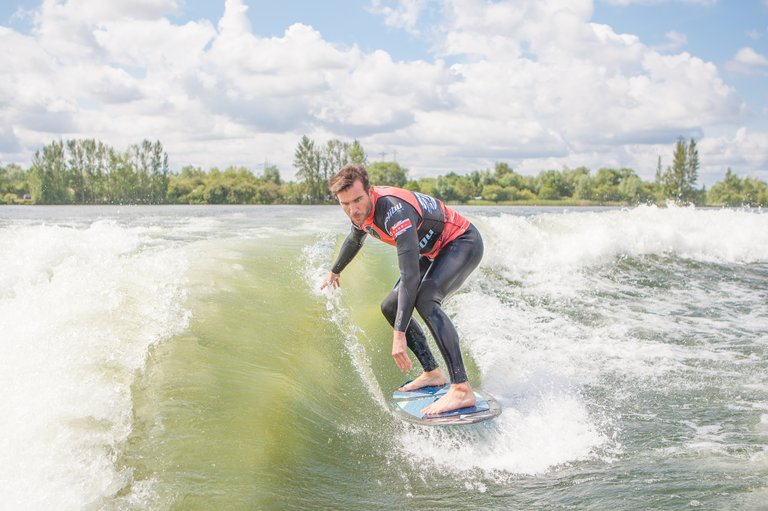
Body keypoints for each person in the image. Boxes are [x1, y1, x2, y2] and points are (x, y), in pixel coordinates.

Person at [320, 163, 484, 415]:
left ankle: (462, 389)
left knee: (427, 299)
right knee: (390, 306)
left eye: (357, 200)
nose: (352, 210)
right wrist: (335, 270)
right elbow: (355, 237)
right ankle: (433, 372)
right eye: (345, 204)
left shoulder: (395, 212)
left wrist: (399, 334)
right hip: (432, 249)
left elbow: (409, 276)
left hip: (461, 241)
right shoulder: (361, 212)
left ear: (371, 191)